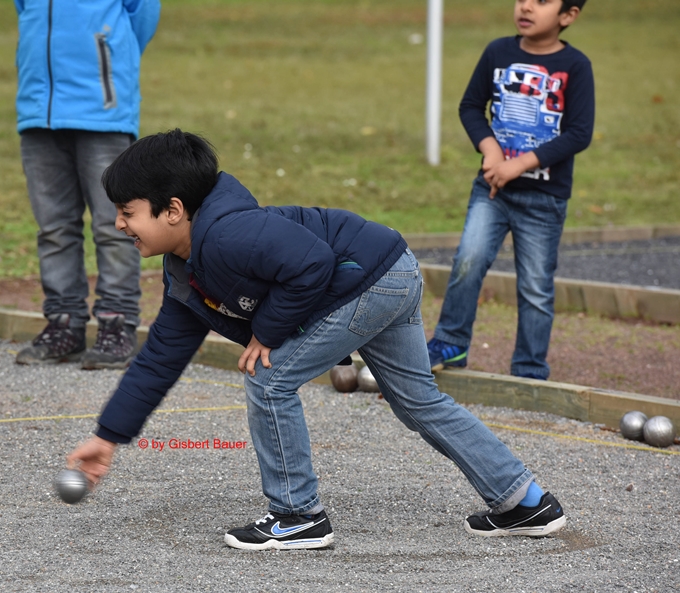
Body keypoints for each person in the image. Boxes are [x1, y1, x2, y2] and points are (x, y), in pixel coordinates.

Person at [66, 129, 567, 551]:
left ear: (172, 209)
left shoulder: (225, 236)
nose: (119, 224)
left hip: (369, 281)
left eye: (127, 211)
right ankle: (525, 500)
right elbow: (159, 359)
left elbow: (311, 264)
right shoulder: (186, 269)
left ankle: (296, 515)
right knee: (419, 401)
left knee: (269, 379)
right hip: (391, 269)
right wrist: (108, 436)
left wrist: (267, 333)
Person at [427, 0, 594, 380]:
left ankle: (529, 367)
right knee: (467, 263)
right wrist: (489, 147)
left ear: (568, 16)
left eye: (542, 1)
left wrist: (520, 162)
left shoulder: (576, 66)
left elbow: (579, 132)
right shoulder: (497, 52)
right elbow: (471, 106)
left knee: (536, 286)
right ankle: (451, 343)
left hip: (544, 199)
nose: (526, 7)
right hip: (491, 192)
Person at [13, 0, 161, 369]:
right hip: (38, 112)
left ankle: (117, 323)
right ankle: (63, 323)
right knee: (53, 227)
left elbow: (142, 15)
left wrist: (108, 57)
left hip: (102, 112)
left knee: (115, 225)